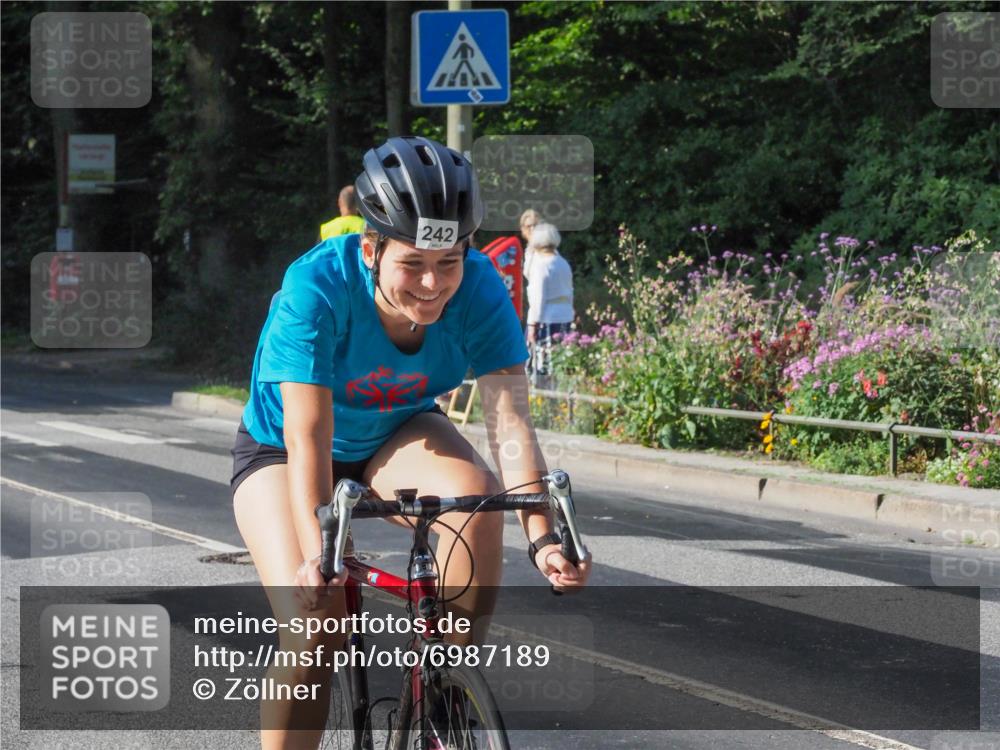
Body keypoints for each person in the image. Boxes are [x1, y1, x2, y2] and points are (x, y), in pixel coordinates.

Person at [231, 136, 591, 749]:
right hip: (284, 452)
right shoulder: (315, 287)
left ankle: (442, 699)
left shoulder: (479, 289)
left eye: (448, 262)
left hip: (395, 430)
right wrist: (321, 557)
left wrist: (543, 538)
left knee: (476, 499)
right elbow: (308, 434)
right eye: (412, 263)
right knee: (315, 627)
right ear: (370, 249)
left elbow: (510, 423)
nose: (432, 284)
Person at [524, 222, 574, 387]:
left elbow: (537, 298)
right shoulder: (563, 263)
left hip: (546, 319)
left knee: (542, 362)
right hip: (565, 316)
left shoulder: (541, 265)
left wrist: (532, 325)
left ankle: (542, 393)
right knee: (560, 359)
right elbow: (570, 291)